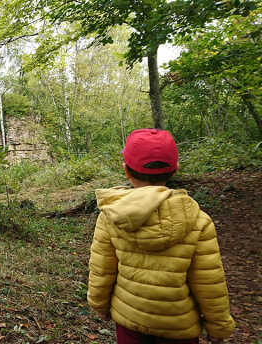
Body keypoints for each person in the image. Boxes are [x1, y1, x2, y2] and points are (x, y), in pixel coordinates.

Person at [87, 129, 235, 344]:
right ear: (175, 170)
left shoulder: (112, 216)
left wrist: (99, 305)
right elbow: (209, 281)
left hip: (130, 318)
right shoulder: (199, 220)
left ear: (126, 171)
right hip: (179, 326)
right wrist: (218, 326)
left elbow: (102, 269)